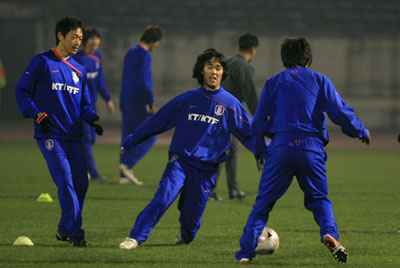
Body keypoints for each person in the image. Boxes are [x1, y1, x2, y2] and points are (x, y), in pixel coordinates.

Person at [236, 37, 370, 264]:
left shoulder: (274, 81)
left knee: (263, 204)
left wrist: (260, 150)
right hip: (311, 147)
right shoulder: (319, 80)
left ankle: (245, 254)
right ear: (309, 60)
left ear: (284, 60)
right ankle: (330, 234)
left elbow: (259, 120)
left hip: (280, 147)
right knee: (319, 199)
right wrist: (359, 130)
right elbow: (339, 112)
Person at [118, 48, 254, 249]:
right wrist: (131, 140)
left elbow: (249, 133)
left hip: (206, 169)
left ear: (223, 73)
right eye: (210, 67)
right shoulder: (187, 99)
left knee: (191, 220)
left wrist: (266, 151)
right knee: (163, 196)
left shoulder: (230, 104)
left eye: (218, 68)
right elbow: (158, 121)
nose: (214, 72)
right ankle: (135, 237)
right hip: (180, 161)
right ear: (202, 71)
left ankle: (186, 233)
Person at [15, 17, 103, 247]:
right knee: (65, 182)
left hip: (74, 137)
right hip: (50, 135)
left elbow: (85, 104)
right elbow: (22, 92)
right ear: (61, 35)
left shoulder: (79, 69)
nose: (78, 42)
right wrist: (34, 112)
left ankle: (64, 229)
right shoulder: (42, 61)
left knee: (81, 185)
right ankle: (76, 234)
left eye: (80, 38)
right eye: (74, 37)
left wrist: (93, 118)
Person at [210, 33, 259, 201]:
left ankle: (233, 190)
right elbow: (250, 95)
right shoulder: (244, 67)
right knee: (223, 150)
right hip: (229, 115)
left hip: (216, 110)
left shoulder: (228, 62)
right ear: (253, 49)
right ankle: (209, 190)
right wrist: (259, 119)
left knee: (230, 150)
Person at [119, 25, 163, 185]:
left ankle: (124, 176)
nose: (157, 46)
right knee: (150, 136)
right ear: (153, 41)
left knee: (127, 136)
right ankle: (127, 165)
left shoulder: (130, 51)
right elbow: (145, 82)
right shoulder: (145, 55)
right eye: (157, 42)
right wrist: (151, 102)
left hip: (125, 99)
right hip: (138, 102)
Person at [73, 28, 115, 181]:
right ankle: (93, 173)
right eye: (91, 45)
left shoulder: (97, 57)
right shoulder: (77, 59)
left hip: (92, 104)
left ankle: (79, 166)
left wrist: (108, 99)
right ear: (85, 43)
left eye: (96, 45)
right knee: (86, 140)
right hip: (80, 106)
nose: (94, 48)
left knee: (90, 139)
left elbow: (100, 80)